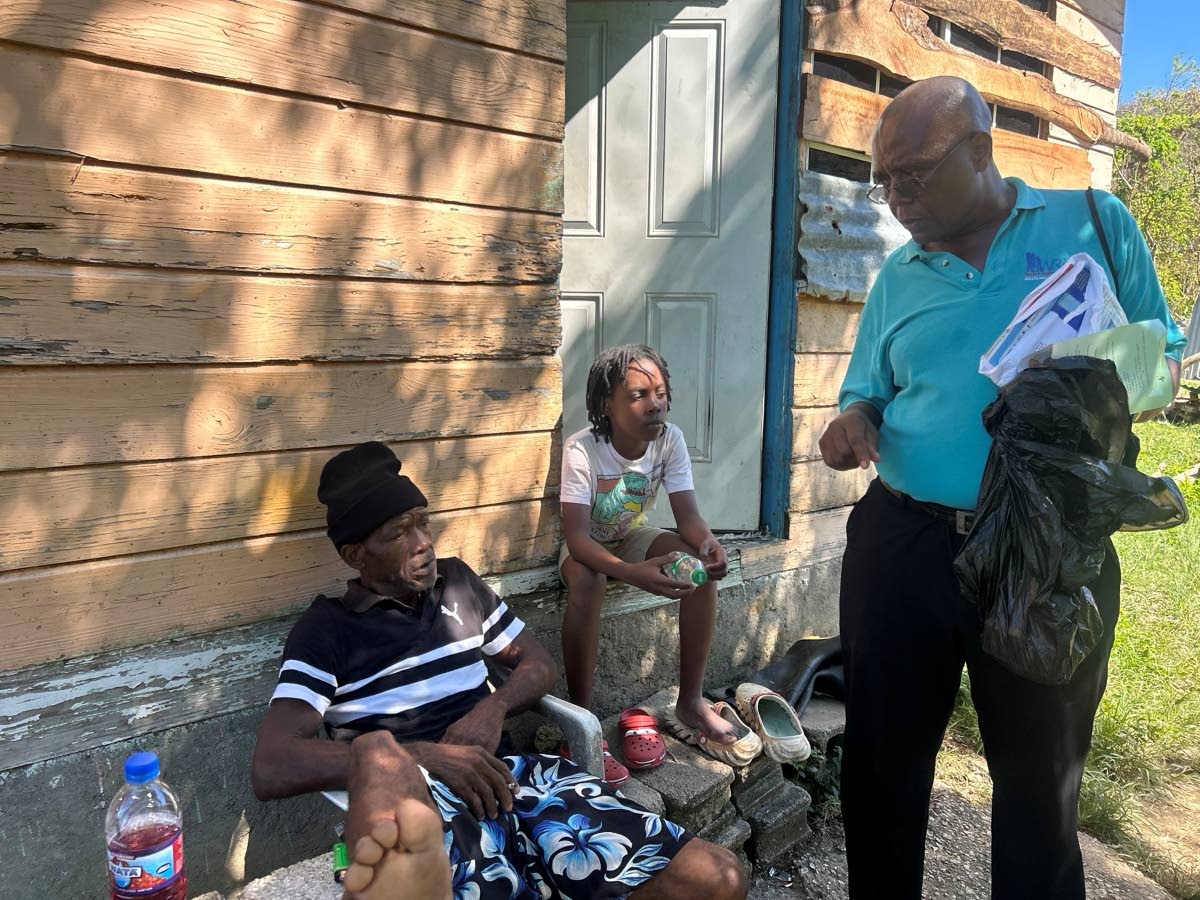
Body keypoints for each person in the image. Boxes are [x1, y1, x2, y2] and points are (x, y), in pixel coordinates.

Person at [820, 76, 1186, 900]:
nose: (896, 198)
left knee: (1040, 785)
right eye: (884, 182)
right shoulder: (900, 275)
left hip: (1045, 549)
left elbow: (1165, 366)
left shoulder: (1094, 224)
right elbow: (865, 391)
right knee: (881, 770)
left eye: (913, 175)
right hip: (905, 544)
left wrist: (1092, 376)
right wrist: (852, 422)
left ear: (980, 150)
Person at [250, 441, 746, 900]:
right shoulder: (327, 630)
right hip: (416, 799)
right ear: (356, 554)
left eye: (423, 523)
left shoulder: (457, 584)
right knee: (376, 754)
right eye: (399, 533)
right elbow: (272, 765)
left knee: (719, 878)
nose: (423, 543)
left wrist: (493, 708)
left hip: (514, 782)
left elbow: (538, 664)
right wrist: (426, 757)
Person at [559, 345, 737, 782]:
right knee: (590, 581)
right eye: (639, 395)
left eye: (660, 393)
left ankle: (690, 702)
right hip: (584, 546)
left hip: (630, 535)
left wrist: (708, 543)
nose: (655, 404)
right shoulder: (583, 449)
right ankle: (582, 722)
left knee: (697, 568)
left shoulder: (670, 439)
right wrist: (631, 573)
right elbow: (577, 539)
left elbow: (687, 517)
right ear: (607, 404)